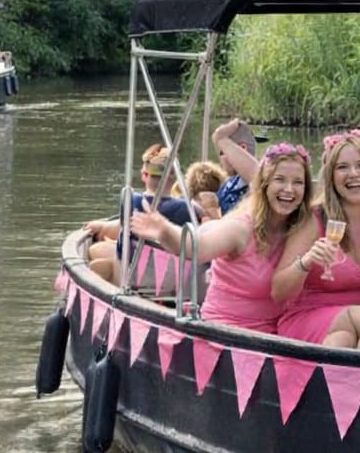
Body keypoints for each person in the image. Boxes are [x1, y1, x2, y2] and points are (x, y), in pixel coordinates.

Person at [130, 142, 315, 334]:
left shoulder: (302, 229)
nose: (289, 189)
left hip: (278, 335)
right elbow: (197, 249)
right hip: (226, 335)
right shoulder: (240, 228)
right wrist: (163, 229)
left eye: (297, 182)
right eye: (280, 180)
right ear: (265, 184)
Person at [273, 129, 360, 351]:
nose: (353, 174)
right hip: (314, 315)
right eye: (342, 167)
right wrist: (306, 262)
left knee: (343, 340)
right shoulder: (313, 219)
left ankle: (328, 385)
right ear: (330, 176)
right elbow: (278, 291)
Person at [84, 144, 193, 283]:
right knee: (98, 250)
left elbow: (124, 226)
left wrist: (103, 227)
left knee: (95, 251)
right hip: (173, 276)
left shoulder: (133, 202)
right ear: (176, 177)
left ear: (144, 175)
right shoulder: (187, 208)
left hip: (135, 272)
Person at [211, 118, 263, 215]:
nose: (220, 159)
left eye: (223, 152)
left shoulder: (261, 187)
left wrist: (219, 137)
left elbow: (259, 178)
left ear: (242, 149)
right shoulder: (230, 183)